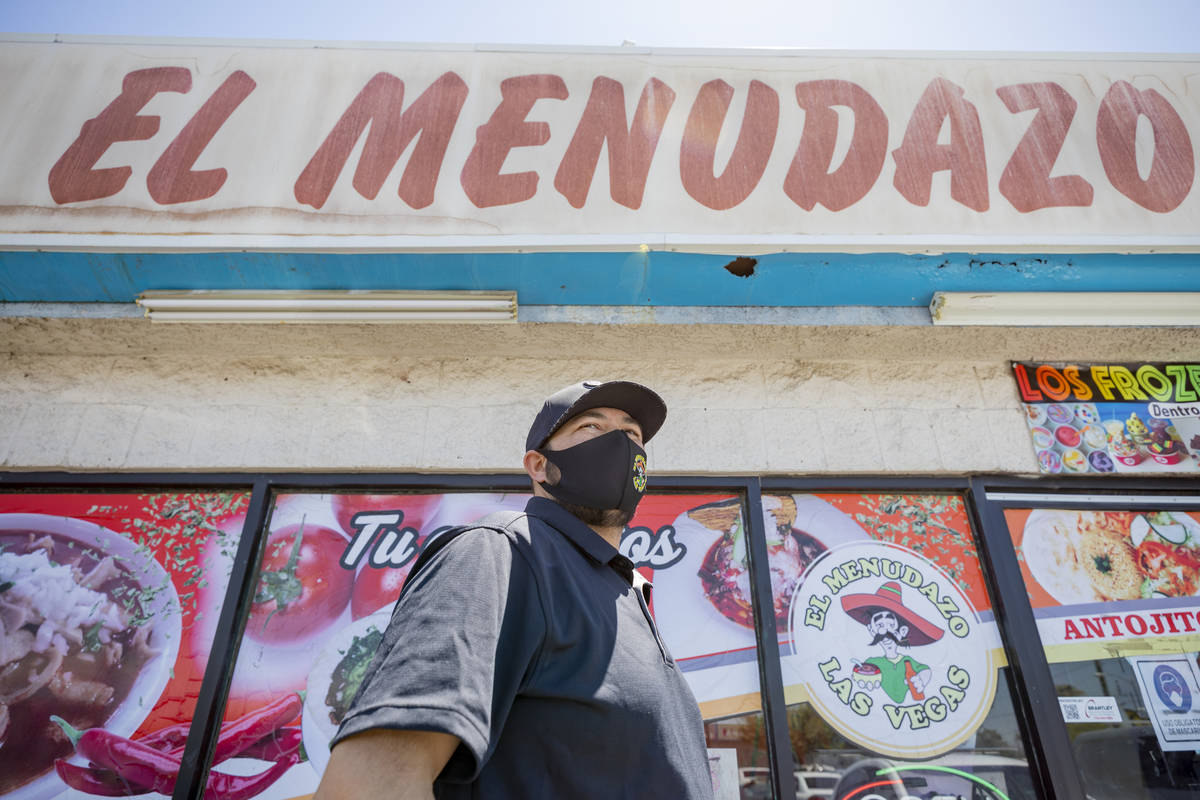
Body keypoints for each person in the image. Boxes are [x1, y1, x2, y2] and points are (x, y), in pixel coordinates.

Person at [314, 380, 715, 800]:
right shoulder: (499, 551)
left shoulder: (625, 591)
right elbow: (371, 783)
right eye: (592, 428)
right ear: (539, 466)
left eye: (632, 434)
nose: (619, 443)